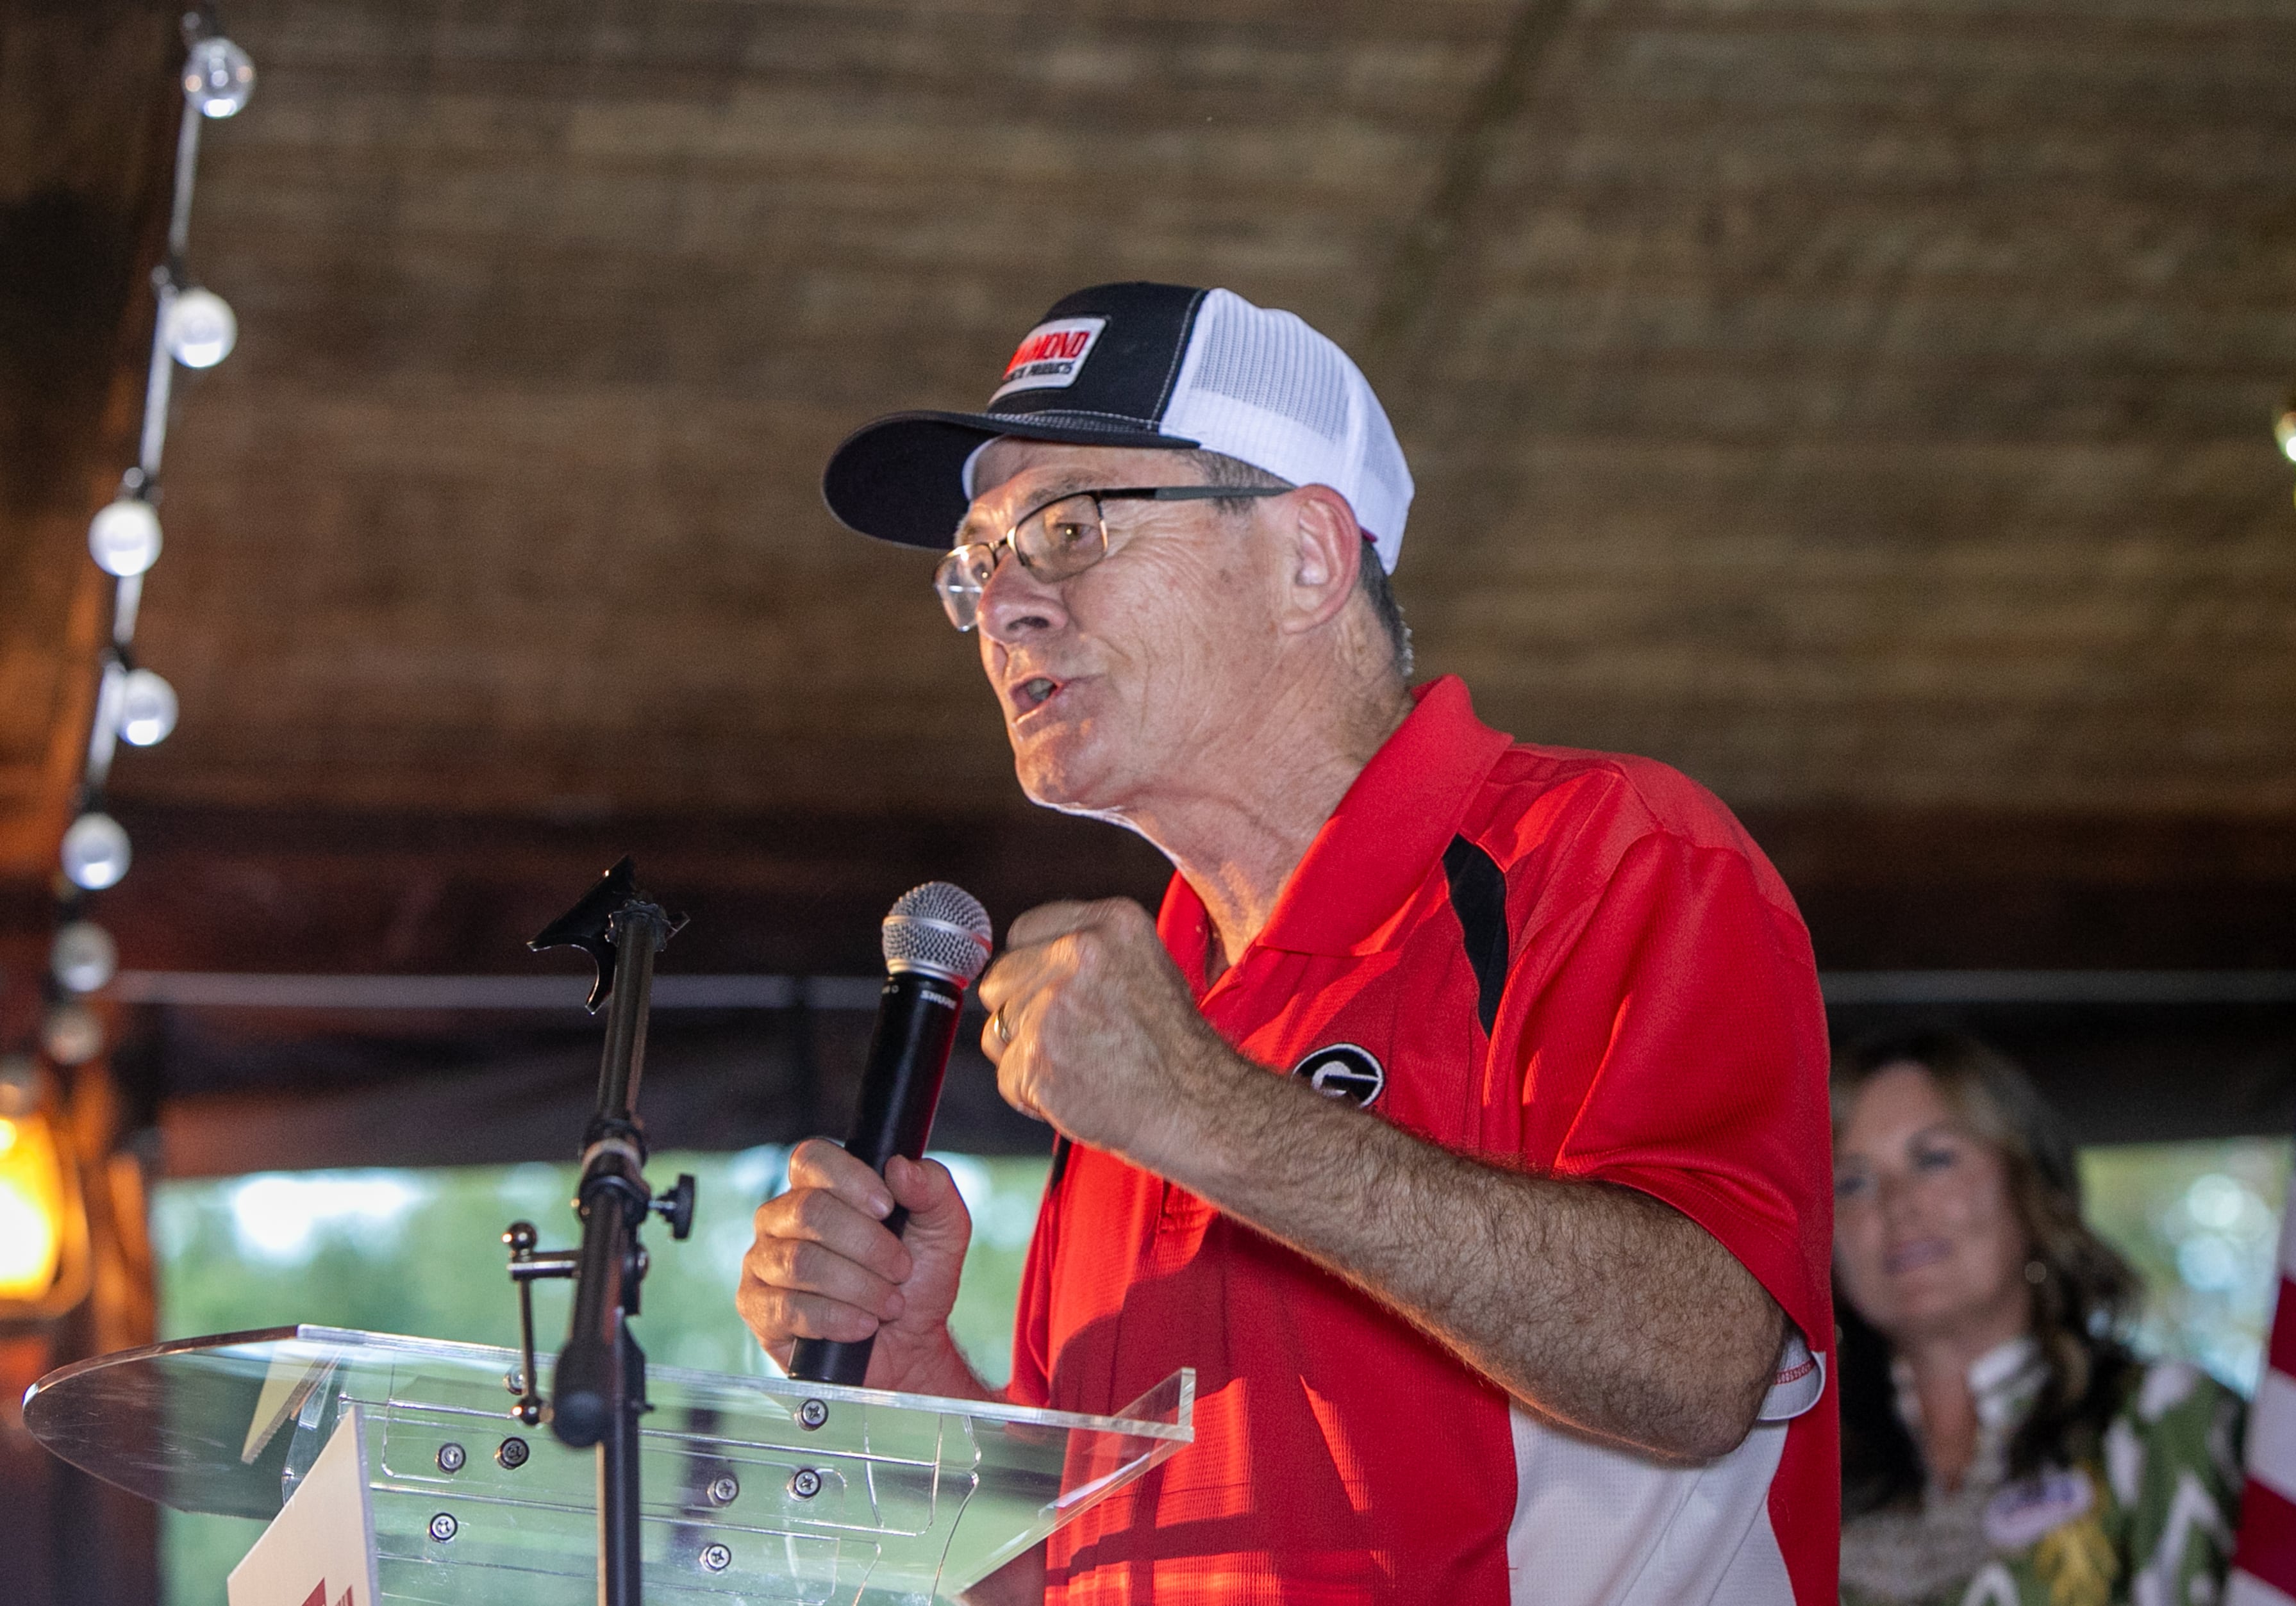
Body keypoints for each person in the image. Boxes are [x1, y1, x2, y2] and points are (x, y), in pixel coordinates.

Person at [736, 281, 1837, 1602]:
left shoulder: (1610, 851)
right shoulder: (1136, 1018)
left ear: (1308, 555)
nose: (1006, 603)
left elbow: (1704, 1362)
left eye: (1069, 528)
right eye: (976, 565)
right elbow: (1071, 1578)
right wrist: (909, 1373)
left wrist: (1206, 1110)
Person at [1831, 1029, 2246, 1606]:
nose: (1897, 1204)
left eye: (1934, 1159)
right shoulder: (1795, 1473)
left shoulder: (2162, 1418)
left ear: (2029, 1187)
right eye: (1851, 1181)